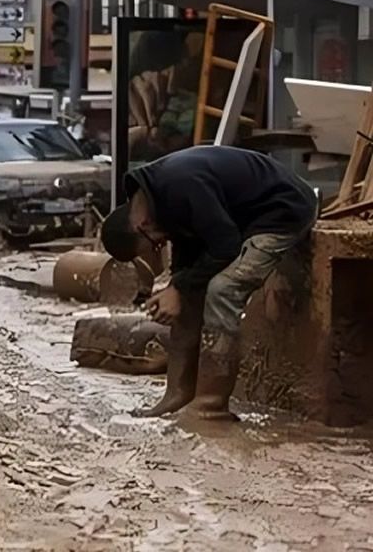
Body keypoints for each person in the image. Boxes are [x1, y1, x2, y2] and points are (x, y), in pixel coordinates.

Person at [100, 146, 317, 421]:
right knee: (187, 290)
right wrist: (176, 287)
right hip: (241, 220)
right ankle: (177, 394)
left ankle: (211, 405)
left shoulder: (181, 185)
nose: (160, 244)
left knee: (222, 290)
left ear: (141, 224)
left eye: (154, 244)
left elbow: (225, 246)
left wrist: (179, 288)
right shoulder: (157, 198)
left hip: (284, 211)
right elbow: (188, 255)